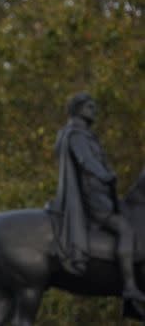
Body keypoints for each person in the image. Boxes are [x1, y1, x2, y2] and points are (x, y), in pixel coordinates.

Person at [48, 92, 145, 301]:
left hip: (100, 196)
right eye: (90, 107)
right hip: (92, 200)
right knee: (125, 229)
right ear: (79, 109)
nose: (94, 111)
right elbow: (86, 161)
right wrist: (105, 175)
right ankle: (129, 286)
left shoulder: (82, 135)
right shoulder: (76, 135)